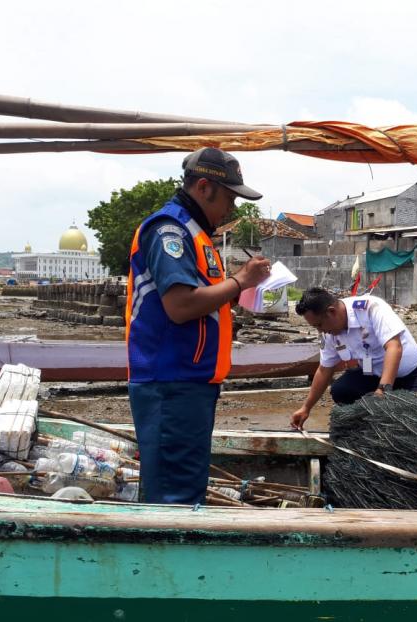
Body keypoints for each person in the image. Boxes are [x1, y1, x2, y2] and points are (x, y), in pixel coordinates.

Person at [126, 147, 271, 504]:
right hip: (170, 384)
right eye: (230, 198)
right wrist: (240, 281)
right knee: (174, 498)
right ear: (204, 188)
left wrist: (238, 292)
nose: (232, 209)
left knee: (185, 489)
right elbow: (180, 305)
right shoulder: (169, 230)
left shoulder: (197, 235)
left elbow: (201, 299)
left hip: (190, 384)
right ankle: (167, 559)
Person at [290, 287, 417, 429]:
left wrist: (382, 390)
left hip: (408, 375)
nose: (320, 330)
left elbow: (394, 347)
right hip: (371, 375)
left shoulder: (371, 308)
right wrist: (306, 408)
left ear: (332, 312)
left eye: (319, 325)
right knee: (341, 391)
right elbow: (324, 370)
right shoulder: (329, 333)